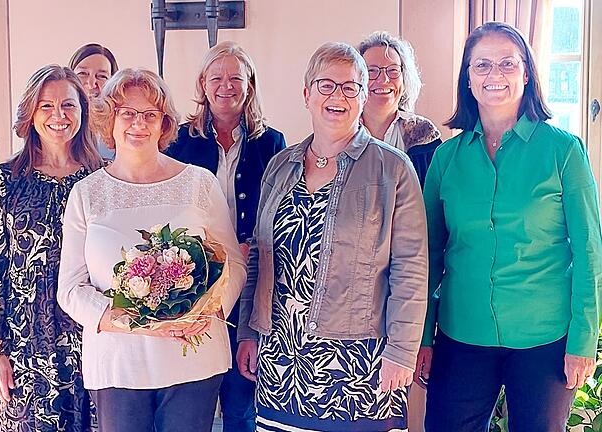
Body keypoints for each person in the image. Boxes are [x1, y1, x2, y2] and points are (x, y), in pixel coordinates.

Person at [416, 22, 602, 432]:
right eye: (481, 65)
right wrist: (424, 336)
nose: (494, 75)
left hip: (545, 338)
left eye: (507, 63)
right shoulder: (446, 159)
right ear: (467, 77)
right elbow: (427, 256)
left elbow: (590, 253)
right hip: (462, 334)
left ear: (526, 73)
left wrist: (583, 341)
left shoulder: (564, 151)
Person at [236, 42, 428, 432]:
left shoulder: (393, 169)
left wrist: (403, 352)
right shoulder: (280, 166)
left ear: (362, 97)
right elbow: (259, 255)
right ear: (306, 94)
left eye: (350, 87)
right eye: (326, 85)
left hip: (362, 367)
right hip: (279, 360)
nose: (337, 96)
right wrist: (247, 332)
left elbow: (411, 270)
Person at [57, 68, 247, 432]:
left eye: (150, 115)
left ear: (164, 124)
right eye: (127, 113)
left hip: (194, 356)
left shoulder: (198, 184)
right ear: (108, 121)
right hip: (118, 362)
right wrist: (135, 323)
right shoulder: (87, 193)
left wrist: (208, 310)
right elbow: (70, 289)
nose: (138, 124)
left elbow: (233, 262)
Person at [0, 65, 103, 431]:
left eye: (68, 106)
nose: (58, 116)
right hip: (25, 345)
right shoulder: (4, 180)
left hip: (95, 342)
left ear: (83, 112)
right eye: (46, 106)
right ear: (30, 114)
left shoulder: (104, 179)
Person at [165, 40, 285, 432]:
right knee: (193, 393)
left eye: (236, 77)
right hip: (192, 279)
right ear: (202, 83)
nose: (226, 85)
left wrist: (247, 245)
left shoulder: (273, 143)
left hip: (248, 279)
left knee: (241, 392)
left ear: (250, 85)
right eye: (216, 77)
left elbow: (277, 208)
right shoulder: (179, 141)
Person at [358, 31, 442, 187]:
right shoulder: (342, 134)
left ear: (404, 78)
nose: (384, 79)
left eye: (393, 70)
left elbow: (434, 200)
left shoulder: (425, 134)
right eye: (372, 71)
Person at [69, 43, 119, 160]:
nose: (91, 84)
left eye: (101, 76)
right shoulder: (58, 122)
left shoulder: (121, 124)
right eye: (82, 74)